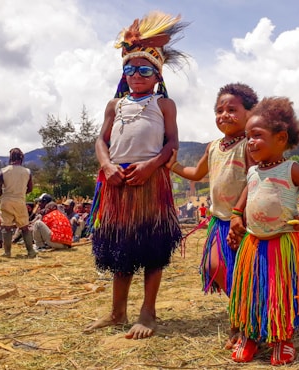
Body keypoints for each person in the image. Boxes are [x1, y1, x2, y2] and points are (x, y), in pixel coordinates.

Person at [83, 11, 186, 339]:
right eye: (131, 69)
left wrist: (151, 166)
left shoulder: (164, 105)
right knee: (120, 247)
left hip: (150, 181)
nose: (137, 75)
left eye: (144, 70)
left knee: (152, 245)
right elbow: (101, 140)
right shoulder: (115, 104)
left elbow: (172, 143)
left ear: (157, 76)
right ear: (124, 73)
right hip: (117, 183)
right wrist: (108, 166)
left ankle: (148, 312)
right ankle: (117, 312)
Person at [227, 97, 299, 366]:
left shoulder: (292, 169)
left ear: (281, 138)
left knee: (279, 292)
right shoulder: (252, 171)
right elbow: (247, 193)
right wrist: (236, 214)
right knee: (251, 291)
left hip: (283, 243)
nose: (250, 142)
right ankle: (249, 335)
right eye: (248, 137)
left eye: (257, 136)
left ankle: (282, 339)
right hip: (254, 243)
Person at [166, 82, 258, 348]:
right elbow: (197, 173)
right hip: (219, 221)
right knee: (215, 268)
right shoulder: (214, 146)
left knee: (244, 274)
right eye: (219, 110)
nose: (224, 115)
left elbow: (254, 180)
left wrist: (239, 213)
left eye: (232, 109)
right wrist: (174, 166)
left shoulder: (250, 145)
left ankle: (245, 325)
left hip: (244, 222)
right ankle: (242, 313)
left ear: (250, 113)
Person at [0, 148, 37, 258]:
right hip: (20, 200)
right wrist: (21, 192)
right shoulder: (27, 172)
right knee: (24, 226)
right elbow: (30, 189)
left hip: (6, 200)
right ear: (21, 158)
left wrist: (5, 195)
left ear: (10, 158)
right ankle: (30, 251)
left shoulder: (3, 171)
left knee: (6, 226)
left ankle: (7, 252)